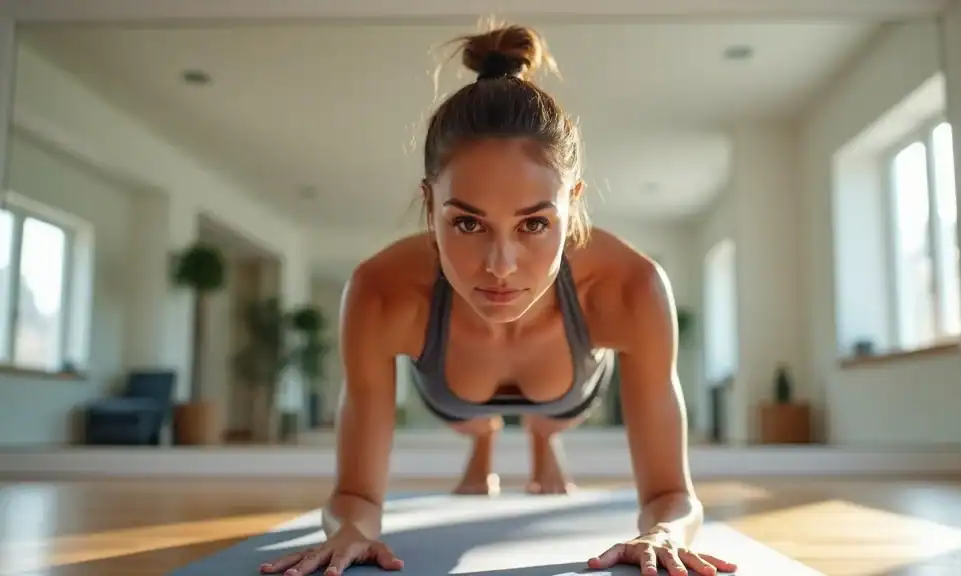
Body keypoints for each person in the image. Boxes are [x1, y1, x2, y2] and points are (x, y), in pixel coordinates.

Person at [260, 22, 737, 576]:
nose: (500, 266)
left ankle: (541, 438)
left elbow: (671, 493)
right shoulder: (380, 292)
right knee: (472, 420)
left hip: (566, 394)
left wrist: (664, 531)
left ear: (573, 203)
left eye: (535, 222)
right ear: (428, 202)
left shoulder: (631, 289)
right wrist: (349, 531)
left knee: (552, 418)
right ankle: (484, 441)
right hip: (453, 398)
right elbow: (357, 498)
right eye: (466, 222)